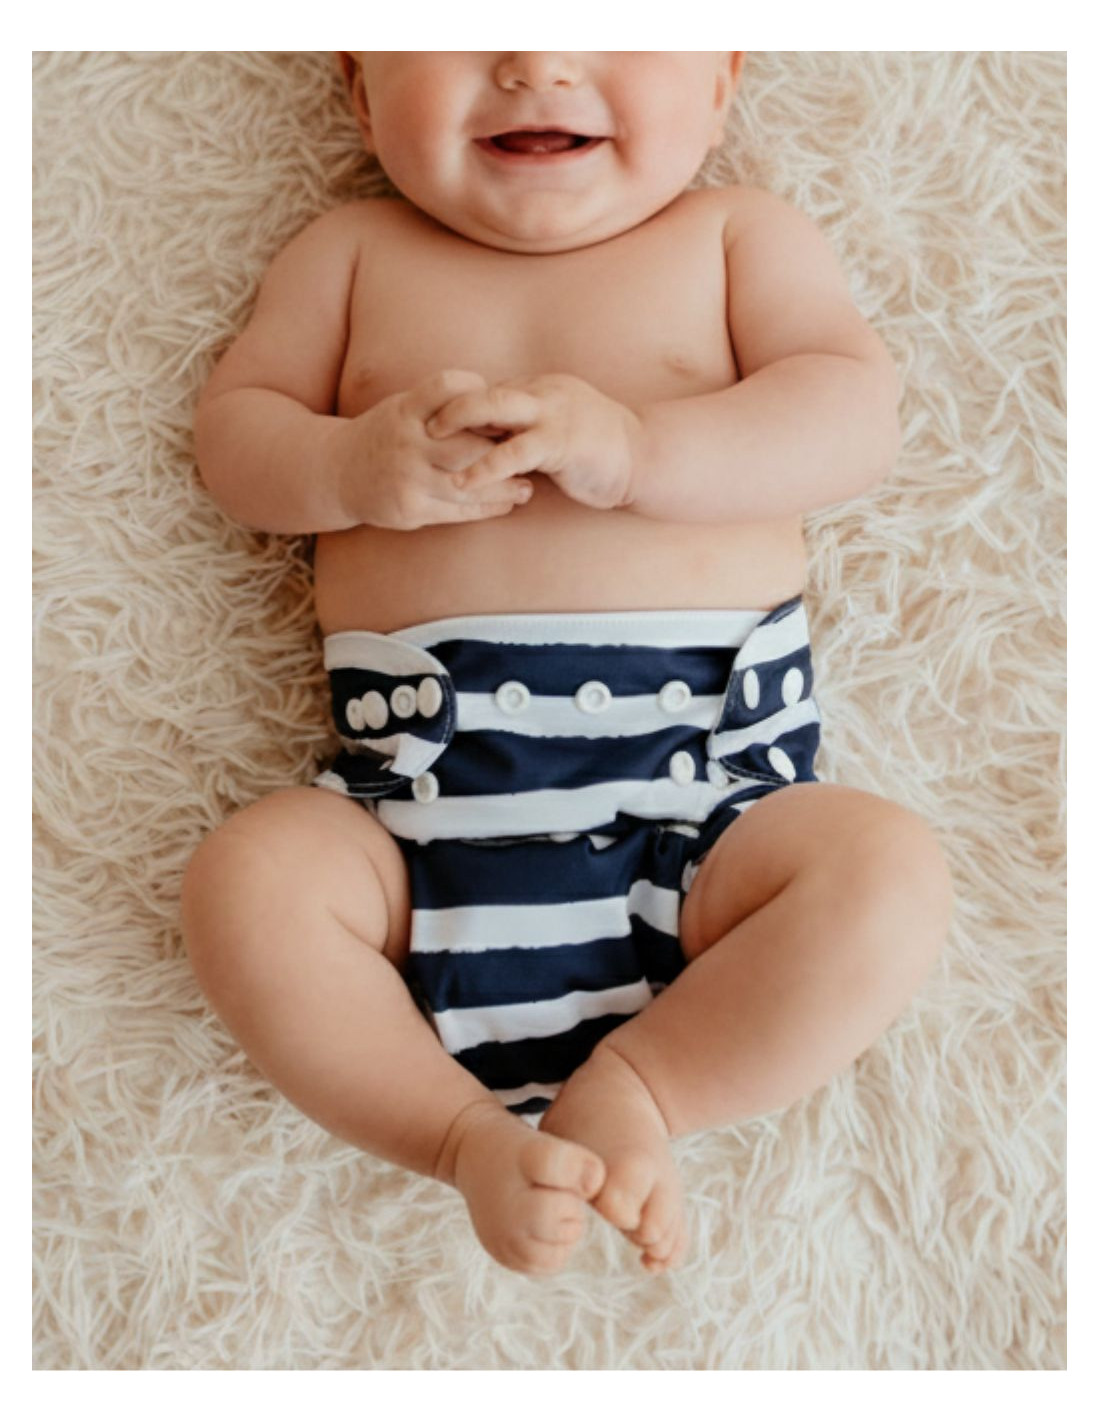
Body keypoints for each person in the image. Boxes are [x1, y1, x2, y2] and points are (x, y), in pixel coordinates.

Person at [181, 52, 953, 1278]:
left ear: (720, 85)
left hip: (704, 813)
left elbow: (850, 418)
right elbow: (236, 439)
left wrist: (641, 450)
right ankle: (458, 1137)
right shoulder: (349, 254)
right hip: (414, 819)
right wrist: (346, 469)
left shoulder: (732, 239)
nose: (535, 62)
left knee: (883, 872)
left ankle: (642, 1089)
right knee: (249, 880)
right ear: (359, 94)